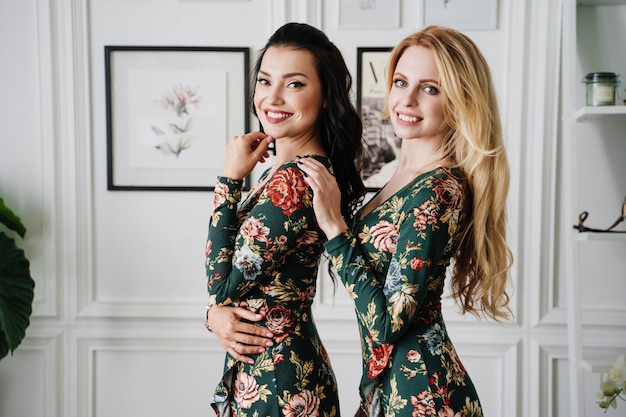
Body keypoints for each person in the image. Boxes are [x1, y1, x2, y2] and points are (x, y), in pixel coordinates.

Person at [297, 25, 513, 416]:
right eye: (400, 81)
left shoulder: (439, 190)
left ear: (461, 100)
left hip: (425, 398)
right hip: (390, 391)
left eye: (430, 89)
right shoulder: (401, 178)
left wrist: (335, 229)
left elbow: (386, 327)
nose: (407, 99)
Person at [204, 22, 366, 416]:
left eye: (294, 84)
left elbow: (221, 286)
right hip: (274, 371)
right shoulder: (285, 173)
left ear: (326, 96)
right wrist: (215, 316)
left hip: (280, 384)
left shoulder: (294, 183)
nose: (272, 97)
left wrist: (228, 180)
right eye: (264, 81)